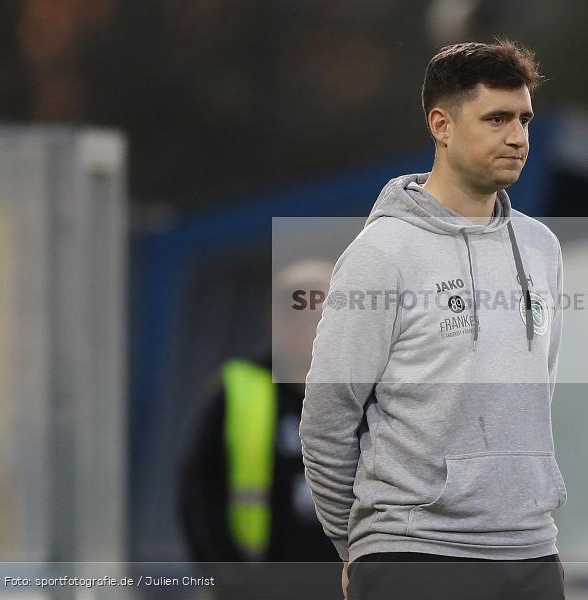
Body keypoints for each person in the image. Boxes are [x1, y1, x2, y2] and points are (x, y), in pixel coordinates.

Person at [299, 40, 567, 600]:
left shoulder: (543, 249)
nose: (517, 137)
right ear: (441, 126)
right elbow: (327, 421)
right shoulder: (382, 253)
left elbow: (539, 397)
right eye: (496, 119)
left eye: (524, 119)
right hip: (413, 555)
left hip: (531, 552)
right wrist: (360, 547)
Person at [178, 260, 340, 599]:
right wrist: (225, 575)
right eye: (301, 311)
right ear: (276, 321)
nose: (314, 324)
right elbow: (198, 494)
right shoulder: (239, 389)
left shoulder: (366, 393)